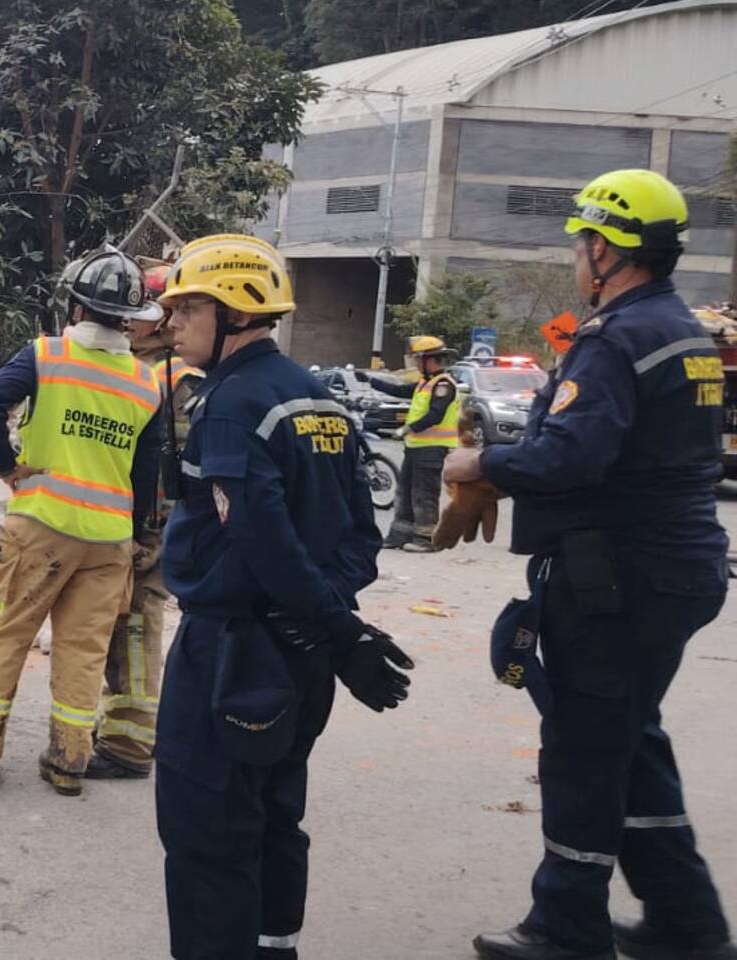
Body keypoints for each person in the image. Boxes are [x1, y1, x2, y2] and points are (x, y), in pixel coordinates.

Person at [443, 169, 735, 960]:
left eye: (582, 241)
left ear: (607, 249)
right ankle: (688, 922)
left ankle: (566, 926)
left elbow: (571, 455)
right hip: (675, 568)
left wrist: (483, 465)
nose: (577, 254)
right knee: (628, 739)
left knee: (581, 750)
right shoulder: (683, 332)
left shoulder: (617, 339)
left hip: (621, 579)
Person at [154, 233, 414, 960]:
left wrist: (330, 625)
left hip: (235, 651)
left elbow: (262, 542)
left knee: (208, 828)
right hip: (299, 656)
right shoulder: (317, 397)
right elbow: (364, 532)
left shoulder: (232, 405)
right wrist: (333, 626)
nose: (173, 324)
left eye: (187, 307)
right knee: (274, 815)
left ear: (234, 310)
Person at [0, 247, 164, 797]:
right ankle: (69, 763)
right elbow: (147, 473)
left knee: (5, 634)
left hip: (42, 524)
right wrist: (140, 530)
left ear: (75, 305)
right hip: (108, 541)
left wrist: (7, 467)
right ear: (129, 318)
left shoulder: (46, 355)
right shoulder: (147, 384)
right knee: (83, 650)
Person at [86, 262, 203, 780]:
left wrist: (142, 534)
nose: (126, 322)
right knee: (127, 625)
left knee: (134, 625)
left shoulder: (168, 378)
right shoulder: (157, 370)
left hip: (148, 526)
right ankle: (125, 728)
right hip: (146, 521)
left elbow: (157, 463)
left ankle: (130, 743)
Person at [358, 335, 459, 552]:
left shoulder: (444, 384)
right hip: (415, 448)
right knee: (405, 492)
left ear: (429, 359)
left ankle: (427, 538)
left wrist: (407, 429)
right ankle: (400, 535)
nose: (415, 363)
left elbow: (435, 415)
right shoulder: (425, 382)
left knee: (424, 493)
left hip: (432, 449)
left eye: (417, 359)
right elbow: (399, 391)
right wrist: (370, 380)